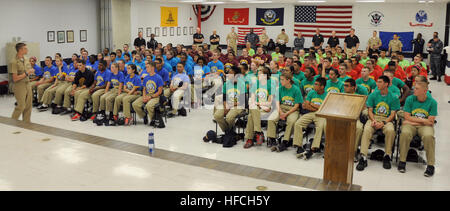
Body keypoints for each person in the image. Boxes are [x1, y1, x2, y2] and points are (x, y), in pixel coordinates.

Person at [357, 75, 400, 171]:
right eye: (377, 81)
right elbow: (370, 111)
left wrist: (383, 123)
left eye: (380, 82)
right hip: (374, 118)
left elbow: (393, 114)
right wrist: (373, 120)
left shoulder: (393, 97)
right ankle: (363, 157)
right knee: (367, 129)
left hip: (387, 119)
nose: (377, 84)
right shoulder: (373, 95)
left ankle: (387, 155)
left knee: (390, 130)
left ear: (386, 84)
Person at [267, 72, 302, 152]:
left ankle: (285, 142)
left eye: (282, 80)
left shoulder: (296, 89)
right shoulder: (280, 88)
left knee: (291, 121)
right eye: (280, 80)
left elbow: (297, 105)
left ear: (288, 80)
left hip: (292, 109)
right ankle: (272, 139)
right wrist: (281, 112)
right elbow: (277, 103)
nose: (280, 81)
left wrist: (286, 113)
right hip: (281, 108)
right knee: (271, 118)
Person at [293, 77, 327, 159]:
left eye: (316, 84)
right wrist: (318, 107)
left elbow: (325, 108)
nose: (313, 85)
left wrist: (313, 105)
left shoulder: (327, 95)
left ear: (322, 87)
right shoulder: (311, 92)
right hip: (311, 113)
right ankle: (299, 146)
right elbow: (305, 105)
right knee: (298, 123)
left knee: (320, 127)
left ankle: (313, 148)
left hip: (321, 115)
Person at [244, 67, 273, 148]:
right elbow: (252, 98)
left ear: (265, 75)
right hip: (256, 106)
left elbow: (270, 101)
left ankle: (250, 139)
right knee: (253, 109)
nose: (257, 75)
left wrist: (260, 104)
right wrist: (256, 103)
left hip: (264, 107)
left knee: (250, 116)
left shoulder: (271, 84)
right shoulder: (256, 83)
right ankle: (258, 132)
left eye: (259, 73)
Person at [213, 66, 246, 133]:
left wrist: (229, 106)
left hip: (238, 105)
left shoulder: (242, 84)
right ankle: (228, 131)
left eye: (230, 73)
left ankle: (230, 132)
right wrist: (225, 106)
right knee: (217, 116)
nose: (228, 75)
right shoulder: (226, 84)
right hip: (228, 104)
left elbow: (242, 101)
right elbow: (224, 98)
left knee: (229, 118)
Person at [132, 61, 164, 126]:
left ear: (152, 68)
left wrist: (151, 97)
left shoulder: (158, 77)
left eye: (147, 67)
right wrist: (144, 97)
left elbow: (160, 92)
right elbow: (144, 89)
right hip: (147, 95)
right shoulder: (146, 77)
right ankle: (144, 116)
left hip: (155, 96)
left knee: (149, 106)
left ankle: (153, 119)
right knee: (135, 104)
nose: (146, 68)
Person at [10, 43, 34, 123]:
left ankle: (26, 123)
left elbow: (29, 70)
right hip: (19, 86)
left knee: (28, 106)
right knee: (21, 106)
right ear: (20, 50)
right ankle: (12, 122)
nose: (27, 50)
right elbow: (15, 78)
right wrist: (27, 73)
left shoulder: (26, 59)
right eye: (25, 48)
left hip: (28, 84)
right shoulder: (14, 62)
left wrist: (31, 72)